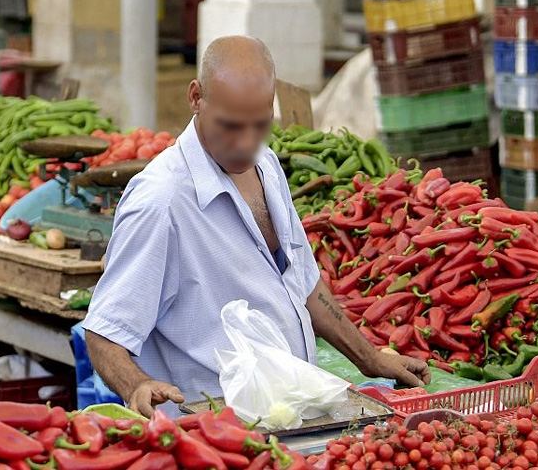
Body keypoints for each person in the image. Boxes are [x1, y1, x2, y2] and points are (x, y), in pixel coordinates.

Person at [83, 35, 429, 417]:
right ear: (196, 97)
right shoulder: (161, 201)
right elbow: (104, 333)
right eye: (230, 126)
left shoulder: (265, 163)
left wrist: (370, 359)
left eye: (259, 124)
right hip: (214, 431)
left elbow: (303, 284)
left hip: (287, 418)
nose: (245, 143)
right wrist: (136, 386)